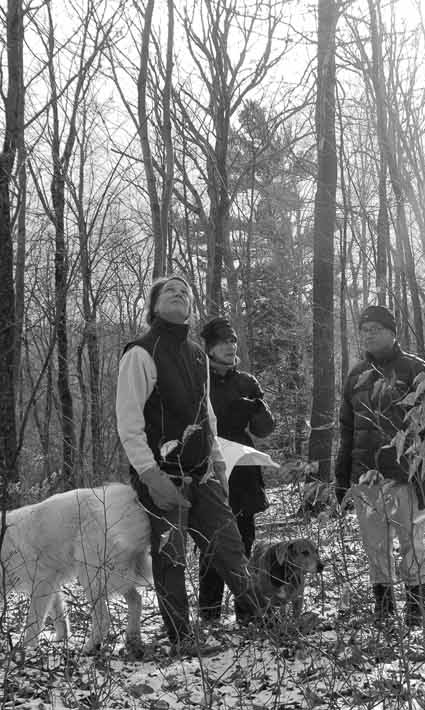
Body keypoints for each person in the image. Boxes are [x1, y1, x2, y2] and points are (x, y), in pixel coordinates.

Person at [115, 275, 260, 654]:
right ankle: (182, 638)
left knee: (230, 547)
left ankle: (266, 620)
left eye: (185, 292)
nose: (179, 294)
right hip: (163, 477)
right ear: (154, 305)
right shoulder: (141, 353)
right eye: (170, 291)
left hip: (203, 474)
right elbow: (128, 423)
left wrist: (217, 463)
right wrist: (150, 475)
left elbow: (206, 412)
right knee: (171, 559)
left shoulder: (197, 353)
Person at [333, 304, 425, 628]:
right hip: (365, 478)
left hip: (405, 476)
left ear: (392, 332)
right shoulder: (355, 375)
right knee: (375, 547)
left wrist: (424, 469)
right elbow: (346, 430)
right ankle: (383, 611)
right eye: (364, 330)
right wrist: (341, 478)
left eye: (375, 329)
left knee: (413, 543)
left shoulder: (416, 370)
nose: (368, 335)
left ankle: (416, 611)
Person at [196, 315, 276, 622]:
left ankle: (246, 612)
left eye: (232, 341)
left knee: (244, 541)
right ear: (209, 348)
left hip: (243, 470)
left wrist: (257, 407)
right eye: (221, 342)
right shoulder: (198, 378)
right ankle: (209, 614)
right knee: (211, 543)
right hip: (210, 466)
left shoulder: (246, 381)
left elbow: (264, 429)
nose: (229, 347)